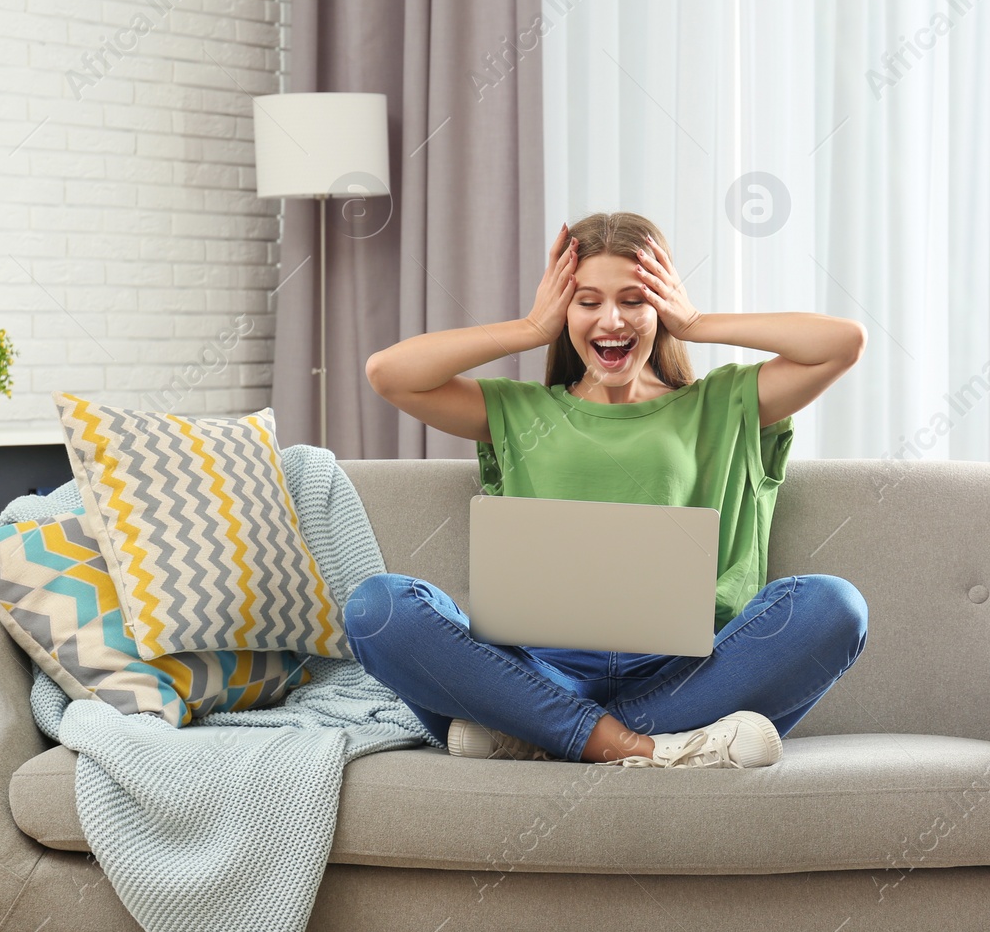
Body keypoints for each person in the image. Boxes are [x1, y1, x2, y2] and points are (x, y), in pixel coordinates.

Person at [349, 211, 870, 768]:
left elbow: (841, 343)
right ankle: (642, 749)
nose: (611, 320)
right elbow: (388, 373)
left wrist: (694, 320)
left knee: (834, 606)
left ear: (660, 307)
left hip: (687, 675)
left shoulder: (724, 403)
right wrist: (529, 329)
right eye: (588, 301)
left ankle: (539, 736)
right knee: (377, 608)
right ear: (564, 311)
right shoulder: (522, 410)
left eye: (634, 299)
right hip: (540, 672)